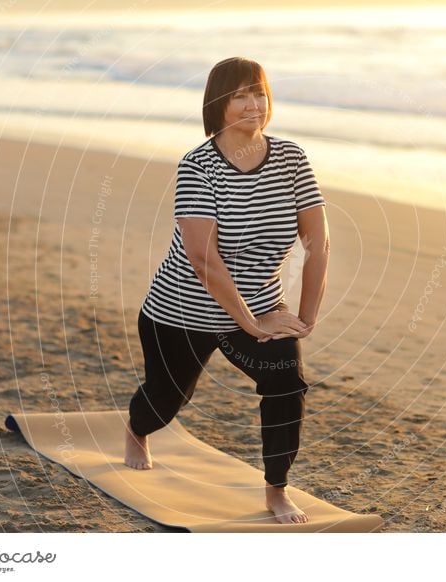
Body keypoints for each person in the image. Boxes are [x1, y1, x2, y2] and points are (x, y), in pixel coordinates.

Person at [123, 56, 330, 525]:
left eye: (259, 91)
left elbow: (318, 242)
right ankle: (137, 431)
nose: (254, 103)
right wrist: (250, 325)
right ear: (218, 102)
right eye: (240, 94)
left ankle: (276, 489)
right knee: (165, 401)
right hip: (181, 311)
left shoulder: (292, 158)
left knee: (285, 383)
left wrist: (304, 317)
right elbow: (203, 260)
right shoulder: (198, 167)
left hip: (258, 304)